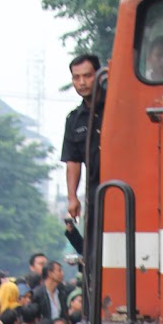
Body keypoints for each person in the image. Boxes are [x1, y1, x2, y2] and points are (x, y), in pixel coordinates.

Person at [61, 52, 103, 236]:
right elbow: (73, 161)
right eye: (76, 77)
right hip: (96, 194)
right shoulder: (74, 120)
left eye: (87, 76)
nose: (82, 82)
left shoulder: (118, 107)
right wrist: (72, 197)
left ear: (99, 75)